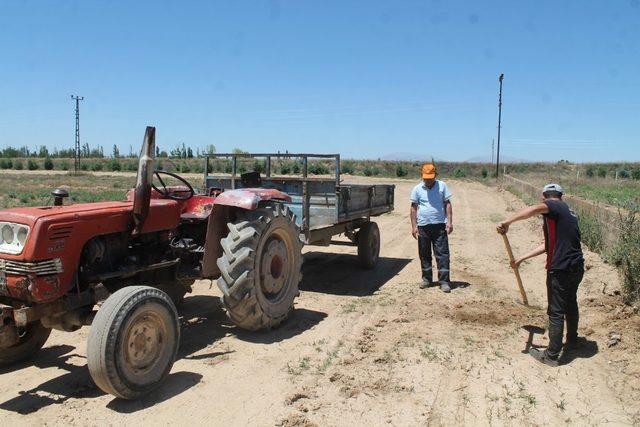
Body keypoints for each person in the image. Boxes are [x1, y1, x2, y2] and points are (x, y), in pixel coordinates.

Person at [496, 183, 584, 367]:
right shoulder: (567, 212)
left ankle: (551, 355)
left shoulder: (553, 206)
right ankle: (573, 341)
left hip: (560, 269)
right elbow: (548, 245)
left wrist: (507, 222)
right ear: (562, 195)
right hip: (576, 266)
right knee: (570, 303)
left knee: (556, 311)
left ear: (544, 196)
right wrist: (521, 258)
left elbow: (534, 209)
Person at [410, 163, 453, 293]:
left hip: (439, 226)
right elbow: (413, 208)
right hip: (423, 226)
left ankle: (444, 281)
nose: (428, 180)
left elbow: (447, 204)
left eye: (430, 177)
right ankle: (427, 279)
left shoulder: (442, 186)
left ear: (435, 176)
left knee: (442, 254)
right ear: (422, 176)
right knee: (424, 254)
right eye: (425, 178)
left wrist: (449, 222)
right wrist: (414, 226)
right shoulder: (417, 189)